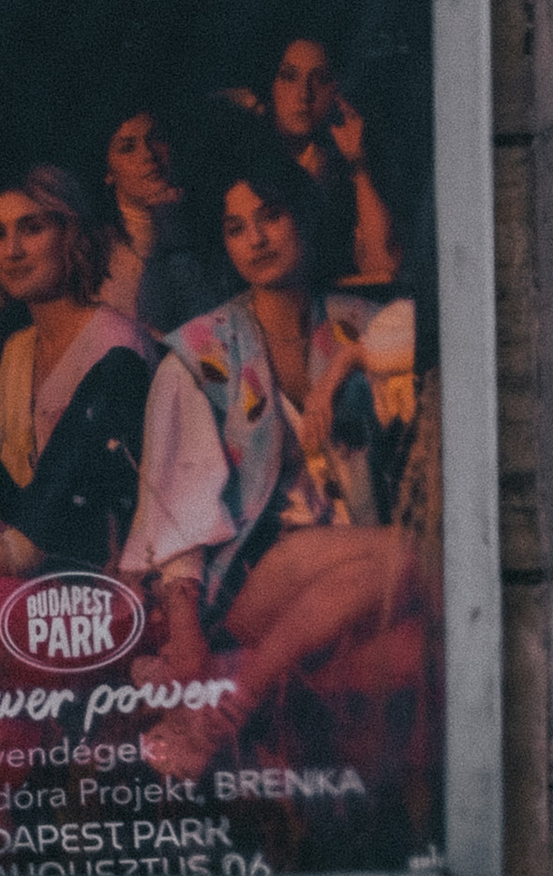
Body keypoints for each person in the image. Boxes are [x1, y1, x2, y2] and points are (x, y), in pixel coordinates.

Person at [121, 122, 430, 802]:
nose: (256, 238)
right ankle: (236, 695)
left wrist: (346, 361)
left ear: (302, 219)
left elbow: (426, 317)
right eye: (236, 227)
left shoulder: (354, 321)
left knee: (415, 652)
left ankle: (331, 812)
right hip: (252, 574)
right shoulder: (202, 350)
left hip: (351, 574)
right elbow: (180, 504)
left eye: (271, 216)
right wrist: (186, 636)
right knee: (414, 558)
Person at [0, 166, 153, 579]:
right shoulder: (15, 352)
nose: (12, 251)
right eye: (0, 235)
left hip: (108, 573)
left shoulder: (118, 343)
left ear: (71, 235)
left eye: (31, 228)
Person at [269, 34, 405, 288]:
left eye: (320, 79)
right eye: (289, 76)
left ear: (336, 91)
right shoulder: (244, 157)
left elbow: (383, 267)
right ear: (270, 84)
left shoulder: (344, 163)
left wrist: (357, 161)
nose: (304, 94)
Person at [96, 103, 223, 334]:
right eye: (127, 148)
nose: (147, 154)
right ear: (107, 172)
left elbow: (210, 322)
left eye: (155, 138)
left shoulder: (215, 224)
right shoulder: (97, 250)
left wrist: (171, 225)